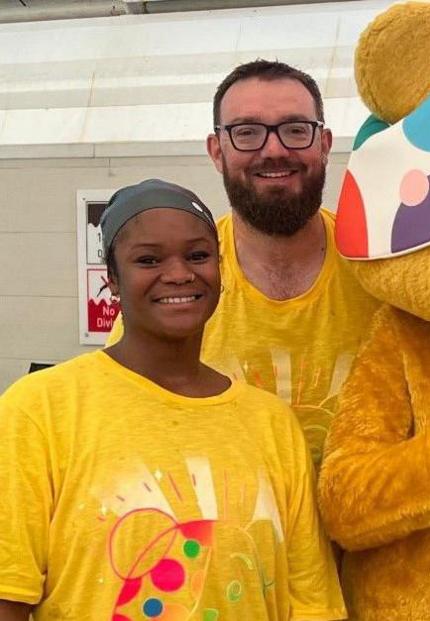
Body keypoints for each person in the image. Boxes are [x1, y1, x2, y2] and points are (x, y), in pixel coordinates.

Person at [0, 179, 346, 621]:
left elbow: (313, 605)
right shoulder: (40, 409)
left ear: (219, 270)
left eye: (198, 255)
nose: (179, 273)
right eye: (148, 259)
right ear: (112, 278)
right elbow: (9, 595)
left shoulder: (272, 424)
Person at [110, 60, 381, 467]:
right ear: (217, 150)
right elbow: (126, 423)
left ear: (324, 145)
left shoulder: (383, 271)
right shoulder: (178, 288)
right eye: (247, 132)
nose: (274, 150)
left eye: (294, 129)